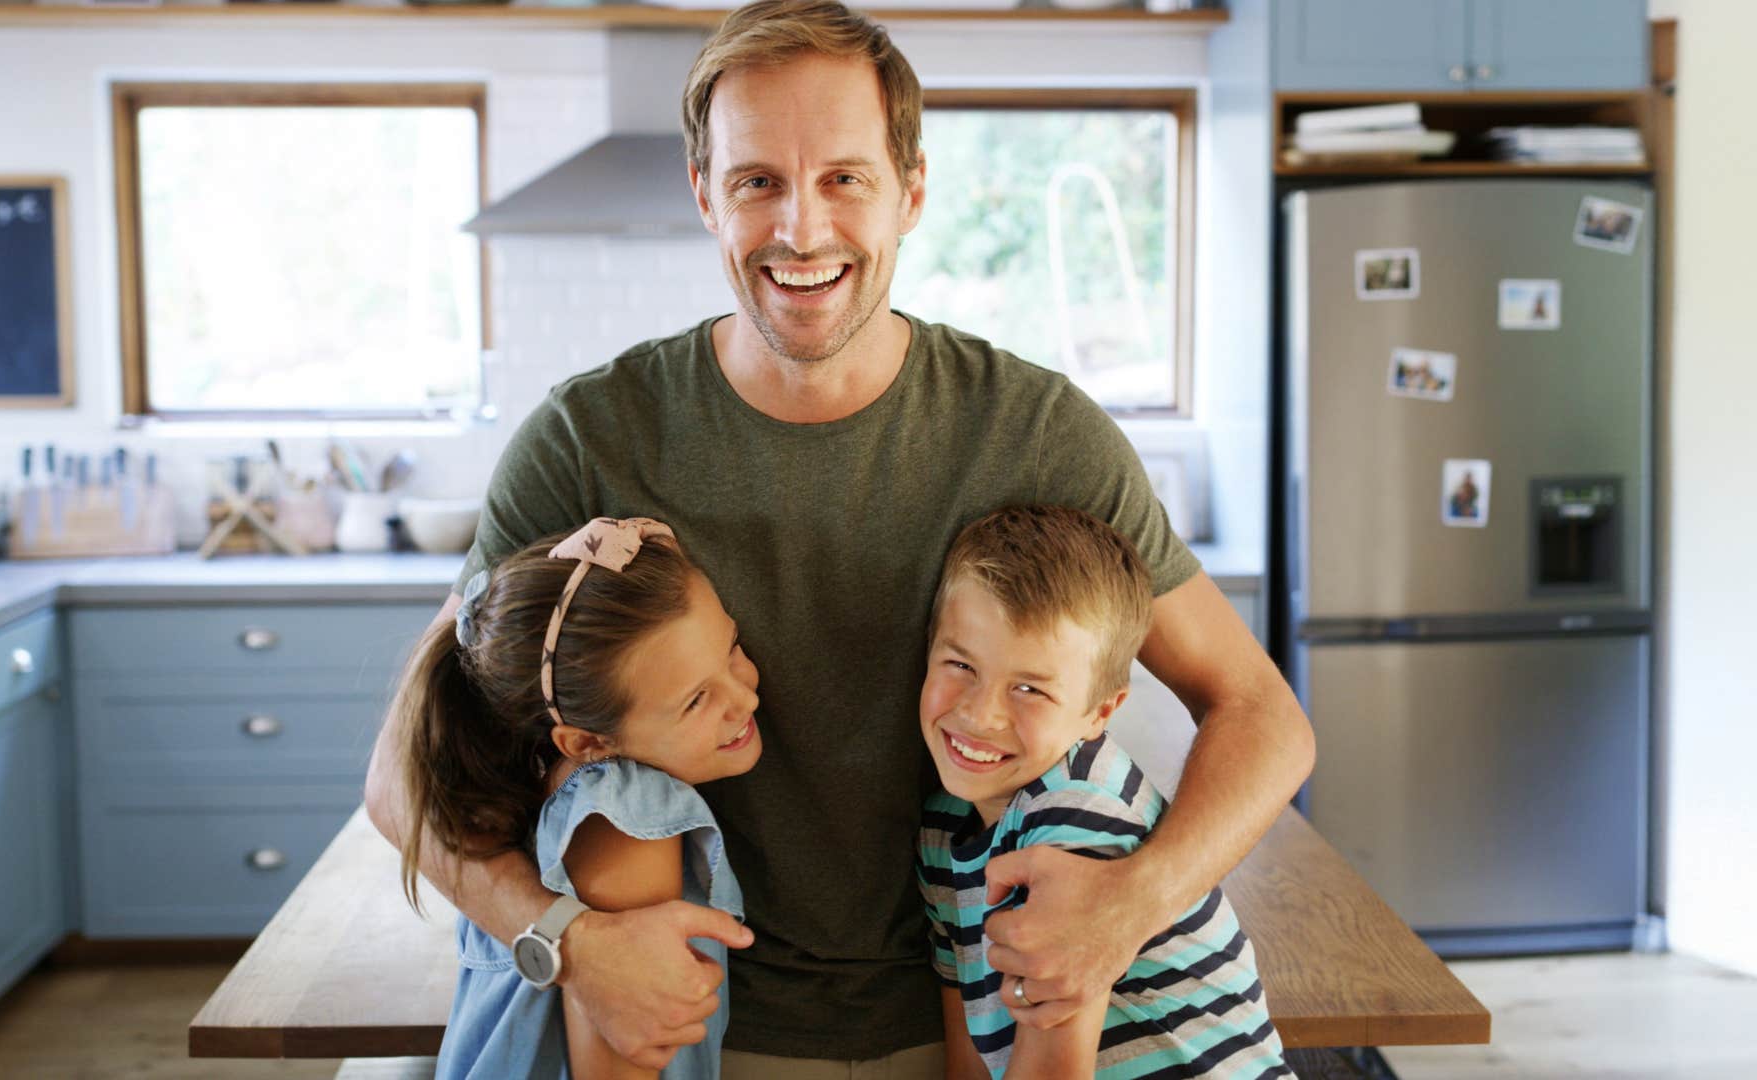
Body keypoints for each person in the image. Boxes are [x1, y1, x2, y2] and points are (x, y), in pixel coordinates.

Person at [365, 1, 1315, 1075]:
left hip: (974, 1029)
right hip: (701, 1034)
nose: (800, 230)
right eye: (756, 180)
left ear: (911, 190)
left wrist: (1132, 901)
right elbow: (405, 772)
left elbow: (1261, 715)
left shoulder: (1040, 431)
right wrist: (562, 941)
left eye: (844, 179)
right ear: (705, 197)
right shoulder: (589, 438)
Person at [916, 506, 1291, 1079]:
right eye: (961, 663)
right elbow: (969, 1058)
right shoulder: (943, 829)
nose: (979, 713)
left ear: (1100, 711)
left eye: (1028, 688)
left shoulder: (1076, 812)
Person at [389, 517, 762, 1079]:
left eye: (731, 649)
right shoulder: (628, 817)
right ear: (588, 742)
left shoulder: (529, 781)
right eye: (695, 701)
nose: (743, 697)